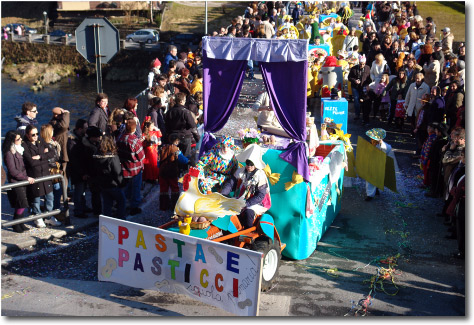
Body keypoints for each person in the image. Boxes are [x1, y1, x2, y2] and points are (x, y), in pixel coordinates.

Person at [221, 144, 271, 229]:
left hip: (255, 202)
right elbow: (230, 184)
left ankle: (248, 233)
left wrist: (246, 203)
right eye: (247, 163)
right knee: (225, 207)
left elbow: (260, 195)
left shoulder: (260, 175)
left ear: (255, 164)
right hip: (240, 199)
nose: (249, 166)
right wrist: (223, 194)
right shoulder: (240, 171)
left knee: (248, 212)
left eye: (251, 164)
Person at [22, 125, 61, 228]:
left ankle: (48, 216)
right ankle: (37, 217)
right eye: (33, 135)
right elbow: (31, 162)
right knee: (36, 198)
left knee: (50, 196)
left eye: (37, 134)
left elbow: (52, 153)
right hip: (35, 174)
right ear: (27, 135)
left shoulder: (40, 140)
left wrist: (40, 156)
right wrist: (44, 157)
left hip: (45, 174)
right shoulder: (25, 145)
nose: (36, 136)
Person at [2, 130, 35, 232]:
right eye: (18, 139)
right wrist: (26, 178)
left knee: (23, 203)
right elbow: (12, 171)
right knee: (21, 203)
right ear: (12, 141)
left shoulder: (19, 150)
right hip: (17, 181)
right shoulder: (9, 153)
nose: (21, 140)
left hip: (22, 180)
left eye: (20, 138)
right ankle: (16, 224)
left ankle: (20, 223)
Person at [116, 116, 145, 216]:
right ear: (134, 128)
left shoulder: (120, 137)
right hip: (135, 168)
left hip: (123, 167)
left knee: (125, 187)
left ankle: (122, 205)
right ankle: (134, 207)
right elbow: (141, 156)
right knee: (135, 188)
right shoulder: (135, 141)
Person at [93, 135, 126, 220]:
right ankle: (121, 221)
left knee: (107, 205)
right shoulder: (113, 157)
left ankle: (107, 224)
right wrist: (121, 183)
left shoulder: (96, 157)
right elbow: (117, 172)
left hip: (103, 185)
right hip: (113, 185)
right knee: (121, 202)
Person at [364, 128, 396, 201]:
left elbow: (387, 149)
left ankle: (376, 189)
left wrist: (380, 143)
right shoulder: (370, 143)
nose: (372, 139)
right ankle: (370, 195)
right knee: (369, 179)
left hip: (379, 164)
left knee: (378, 178)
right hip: (371, 163)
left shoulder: (384, 145)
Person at [165, 92, 200, 159]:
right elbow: (193, 126)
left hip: (172, 137)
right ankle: (184, 169)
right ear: (181, 101)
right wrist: (197, 138)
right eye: (184, 100)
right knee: (185, 158)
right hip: (185, 137)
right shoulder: (185, 112)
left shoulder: (170, 112)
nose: (185, 102)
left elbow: (166, 125)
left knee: (173, 157)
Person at [158, 134, 189, 211]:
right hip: (172, 172)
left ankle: (164, 206)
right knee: (174, 188)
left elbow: (158, 161)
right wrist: (188, 159)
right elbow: (183, 160)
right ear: (176, 141)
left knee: (163, 189)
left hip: (162, 171)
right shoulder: (176, 150)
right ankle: (174, 206)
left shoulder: (162, 148)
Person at [67, 119, 89, 219]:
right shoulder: (72, 141)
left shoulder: (81, 138)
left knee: (83, 189)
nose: (87, 129)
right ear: (80, 129)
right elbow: (74, 159)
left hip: (83, 168)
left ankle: (83, 207)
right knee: (79, 190)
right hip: (77, 171)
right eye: (85, 128)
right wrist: (81, 172)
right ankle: (78, 210)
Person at [40, 124, 63, 211]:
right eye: (52, 130)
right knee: (53, 191)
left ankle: (55, 209)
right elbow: (50, 158)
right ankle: (53, 211)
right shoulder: (45, 145)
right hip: (50, 171)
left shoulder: (53, 143)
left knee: (56, 191)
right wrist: (56, 164)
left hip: (54, 170)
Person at [82, 126, 103, 217]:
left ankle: (98, 211)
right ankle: (97, 212)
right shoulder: (89, 148)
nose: (99, 138)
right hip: (93, 173)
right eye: (97, 136)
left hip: (95, 172)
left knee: (96, 193)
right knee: (96, 193)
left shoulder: (89, 144)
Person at [49, 107, 70, 193]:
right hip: (61, 152)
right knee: (63, 173)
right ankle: (63, 194)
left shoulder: (56, 122)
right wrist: (66, 114)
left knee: (65, 173)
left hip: (63, 150)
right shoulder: (55, 124)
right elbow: (64, 126)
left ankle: (65, 192)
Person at [348, 55, 371, 120]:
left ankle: (364, 114)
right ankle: (357, 114)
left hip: (363, 86)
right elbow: (349, 77)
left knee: (364, 100)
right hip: (355, 86)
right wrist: (354, 80)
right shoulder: (354, 68)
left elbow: (369, 78)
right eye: (360, 64)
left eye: (363, 64)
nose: (362, 65)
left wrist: (367, 84)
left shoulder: (367, 68)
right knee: (356, 100)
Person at [141, 117, 162, 183]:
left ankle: (154, 177)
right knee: (148, 164)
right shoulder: (144, 134)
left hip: (154, 150)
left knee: (154, 163)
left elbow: (160, 135)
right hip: (148, 151)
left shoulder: (154, 132)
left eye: (153, 125)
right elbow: (142, 143)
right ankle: (148, 177)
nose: (153, 127)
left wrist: (156, 129)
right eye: (151, 126)